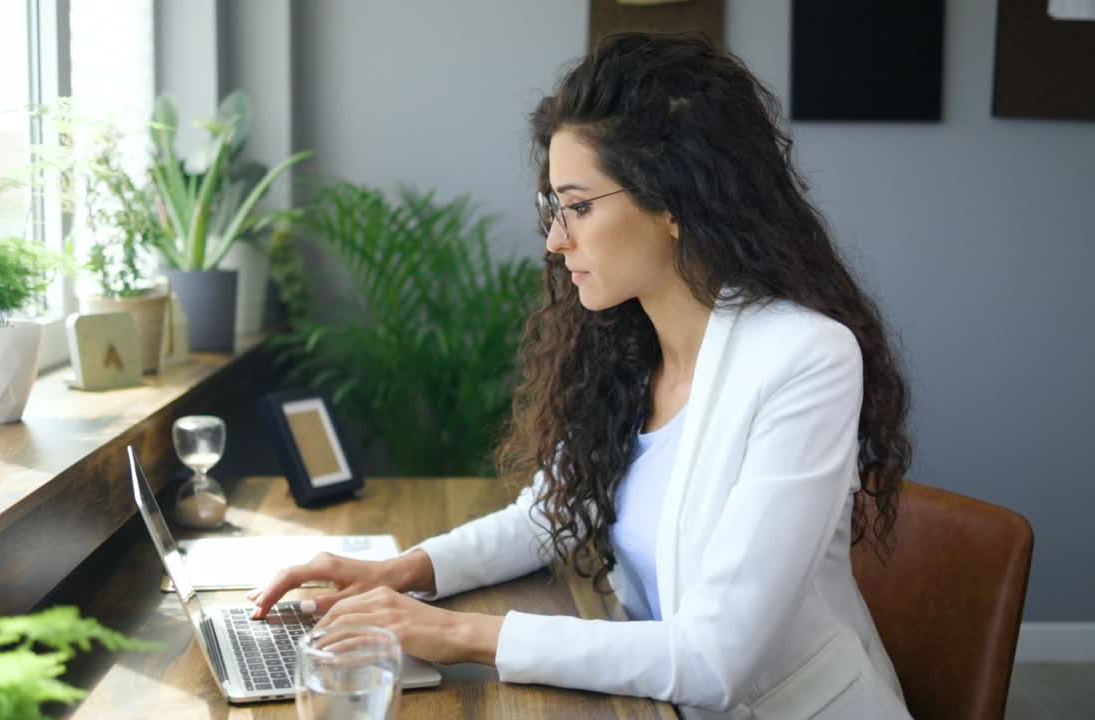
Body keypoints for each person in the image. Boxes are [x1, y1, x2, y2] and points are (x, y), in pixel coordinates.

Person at [250, 33, 913, 719]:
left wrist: (457, 633)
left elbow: (717, 658)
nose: (555, 240)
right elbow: (550, 516)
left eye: (579, 206)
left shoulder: (805, 359)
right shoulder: (631, 349)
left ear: (675, 203)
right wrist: (405, 571)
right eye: (554, 208)